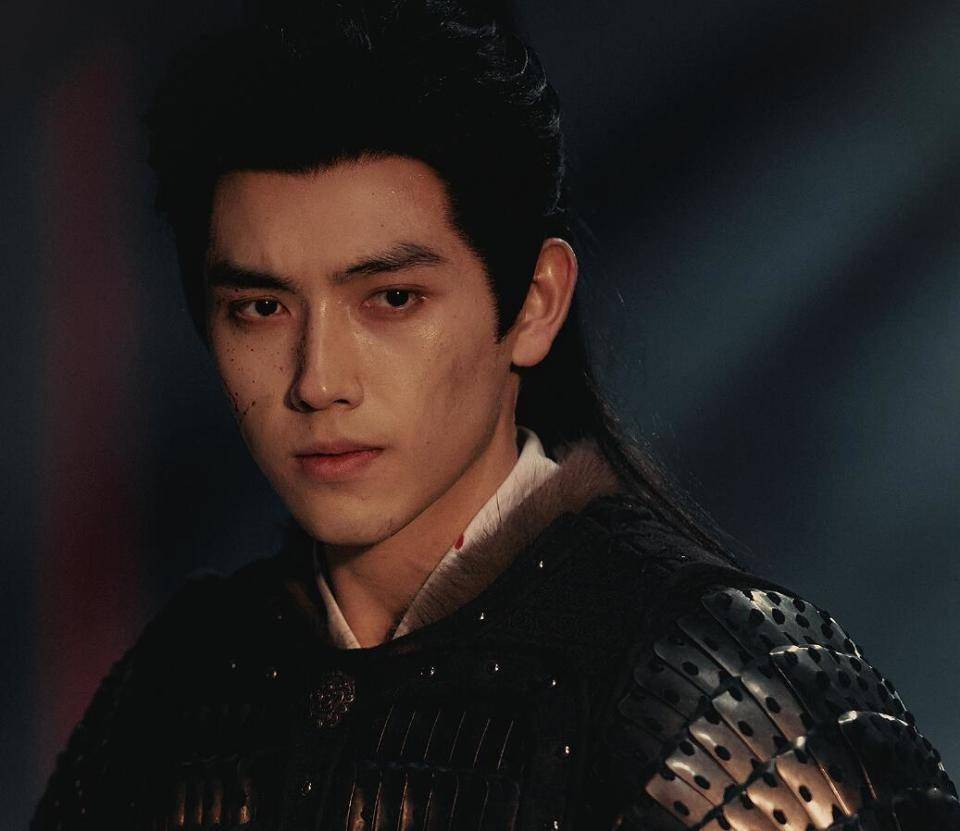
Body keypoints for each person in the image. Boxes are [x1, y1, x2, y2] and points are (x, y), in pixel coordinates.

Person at [31, 1, 958, 828]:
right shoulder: (175, 688)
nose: (318, 379)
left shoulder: (712, 688)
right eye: (261, 307)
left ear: (534, 302)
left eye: (391, 299)